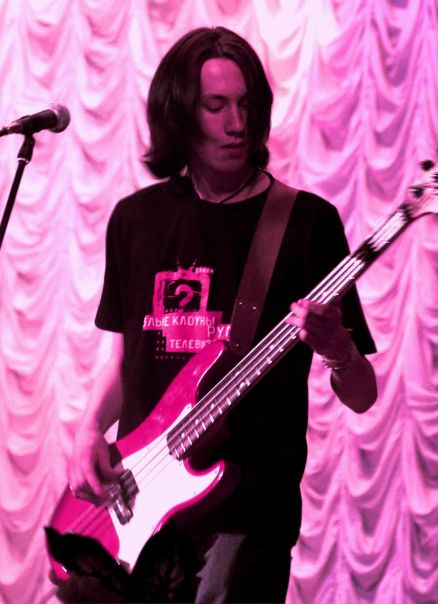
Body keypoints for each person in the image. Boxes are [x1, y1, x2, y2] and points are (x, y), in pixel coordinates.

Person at [65, 26, 377, 604]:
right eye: (216, 106)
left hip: (247, 513)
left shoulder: (306, 223)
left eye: (247, 105)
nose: (238, 124)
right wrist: (88, 430)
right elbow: (123, 362)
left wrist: (338, 349)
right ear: (179, 113)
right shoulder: (135, 219)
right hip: (141, 505)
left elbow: (362, 395)